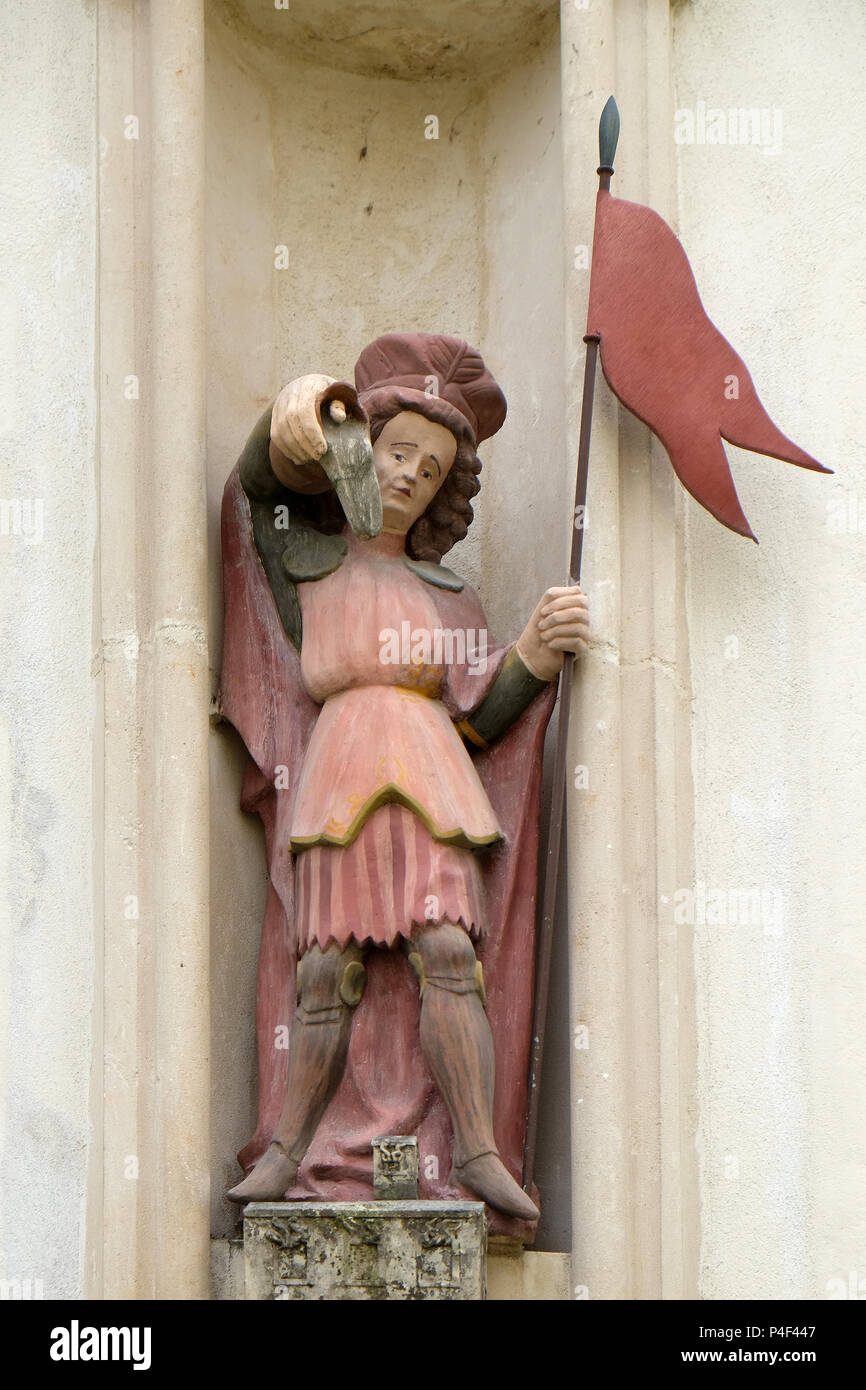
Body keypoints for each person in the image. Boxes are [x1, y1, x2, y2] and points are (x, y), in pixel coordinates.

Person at [221, 333, 588, 1226]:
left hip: (430, 773)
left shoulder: (448, 593)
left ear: (442, 491)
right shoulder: (306, 561)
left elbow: (477, 718)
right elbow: (255, 495)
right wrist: (294, 419)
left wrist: (532, 657)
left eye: (430, 469)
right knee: (325, 970)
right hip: (341, 770)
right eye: (397, 455)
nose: (409, 477)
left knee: (450, 955)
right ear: (363, 453)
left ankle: (478, 1152)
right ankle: (285, 1150)